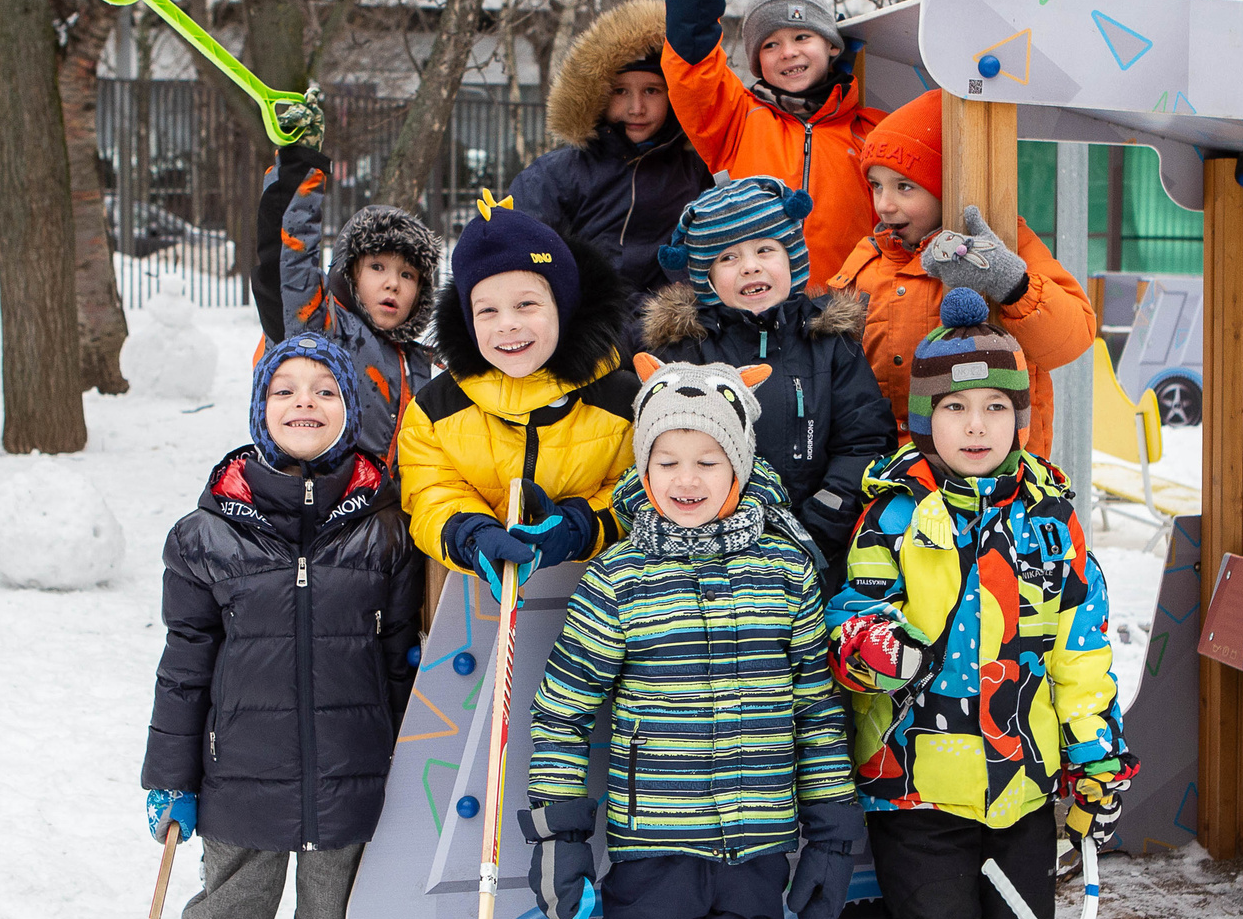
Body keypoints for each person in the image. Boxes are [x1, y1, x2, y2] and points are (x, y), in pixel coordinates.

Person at [522, 356, 862, 919]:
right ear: (642, 470)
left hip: (756, 848)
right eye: (666, 460)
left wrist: (830, 833)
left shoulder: (786, 576)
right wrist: (560, 832)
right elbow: (562, 712)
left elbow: (817, 714)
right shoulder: (618, 582)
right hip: (653, 848)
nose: (685, 479)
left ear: (740, 469)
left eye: (706, 460)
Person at [823, 289, 1137, 919]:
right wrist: (882, 643)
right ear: (926, 417)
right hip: (919, 787)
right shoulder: (895, 507)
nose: (975, 424)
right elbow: (852, 613)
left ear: (1021, 415)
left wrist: (1095, 759)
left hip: (1020, 786)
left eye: (995, 407)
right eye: (955, 408)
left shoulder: (1050, 515)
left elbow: (1081, 649)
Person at [135, 331, 426, 919]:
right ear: (260, 410)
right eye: (285, 390)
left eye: (324, 391)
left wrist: (404, 771)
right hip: (242, 780)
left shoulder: (385, 531)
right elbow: (185, 666)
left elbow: (400, 660)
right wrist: (172, 777)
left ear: (351, 408)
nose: (305, 402)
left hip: (351, 777)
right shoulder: (205, 534)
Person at [641, 177, 894, 574]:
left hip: (815, 548)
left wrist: (819, 523)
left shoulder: (830, 343)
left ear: (791, 257)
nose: (750, 266)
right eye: (727, 258)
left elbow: (864, 443)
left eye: (765, 249)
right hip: (706, 553)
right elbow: (656, 451)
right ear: (706, 279)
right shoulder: (684, 352)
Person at [826, 87, 1097, 446]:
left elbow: (1072, 338)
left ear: (946, 186)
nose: (884, 205)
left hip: (993, 471)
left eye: (905, 187)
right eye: (876, 186)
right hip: (890, 470)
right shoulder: (868, 258)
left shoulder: (1004, 243)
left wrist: (1012, 283)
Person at [394, 194, 638, 580]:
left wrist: (580, 526)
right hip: (474, 604)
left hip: (600, 601)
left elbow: (638, 491)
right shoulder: (434, 411)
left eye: (526, 304)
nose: (506, 324)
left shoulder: (623, 402)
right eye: (487, 310)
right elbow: (430, 493)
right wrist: (472, 534)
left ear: (564, 305)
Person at [661, 0, 881, 281]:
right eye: (771, 44)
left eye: (802, 37)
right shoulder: (735, 120)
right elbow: (692, 63)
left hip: (850, 323)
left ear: (831, 45)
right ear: (758, 61)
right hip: (757, 320)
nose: (788, 53)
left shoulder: (873, 133)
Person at [511, 0, 714, 316]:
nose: (636, 107)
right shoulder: (560, 172)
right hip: (584, 324)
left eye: (652, 91)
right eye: (621, 91)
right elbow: (514, 241)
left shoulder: (698, 171)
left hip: (671, 328)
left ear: (674, 96)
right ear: (598, 95)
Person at [252, 144, 441, 461]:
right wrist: (301, 169)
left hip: (388, 507)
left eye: (407, 275)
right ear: (349, 273)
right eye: (377, 267)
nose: (392, 283)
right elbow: (289, 268)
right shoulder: (323, 330)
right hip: (325, 500)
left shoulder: (418, 361)